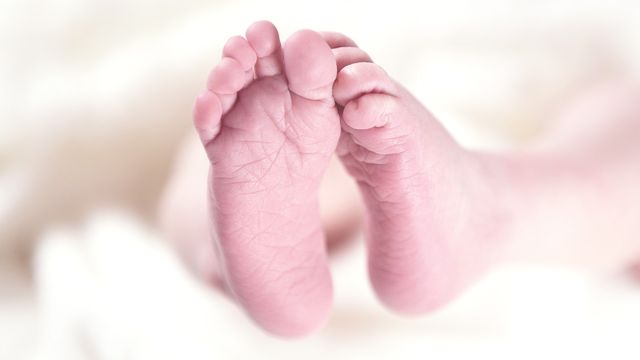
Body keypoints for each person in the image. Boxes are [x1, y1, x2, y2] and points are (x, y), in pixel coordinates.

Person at [158, 21, 640, 337]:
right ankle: (230, 244)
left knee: (205, 160)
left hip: (520, 166)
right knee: (239, 136)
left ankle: (217, 245)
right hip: (418, 148)